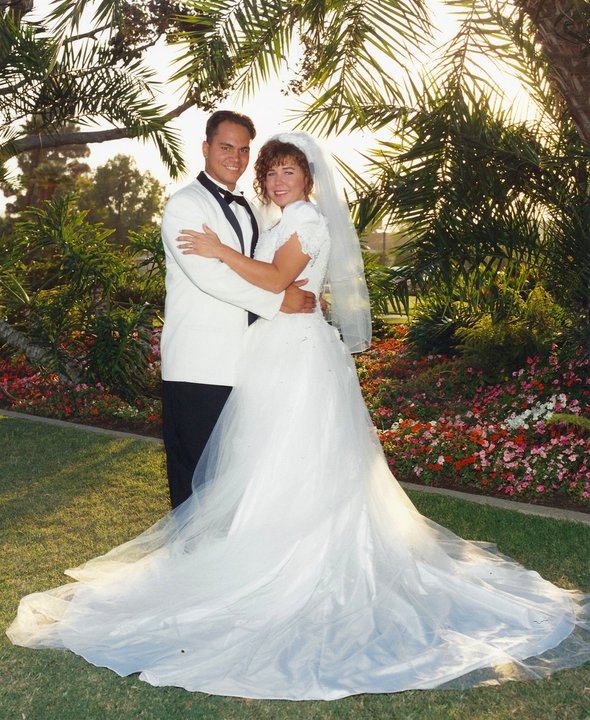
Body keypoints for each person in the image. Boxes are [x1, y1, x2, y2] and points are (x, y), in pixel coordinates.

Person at [7, 134, 590, 700]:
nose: (276, 179)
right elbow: (277, 287)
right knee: (265, 460)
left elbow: (276, 279)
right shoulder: (268, 218)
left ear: (310, 179)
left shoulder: (305, 221)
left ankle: (291, 564)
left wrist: (221, 251)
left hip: (296, 355)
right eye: (272, 171)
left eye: (289, 171)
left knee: (292, 458)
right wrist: (255, 275)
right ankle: (249, 549)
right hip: (268, 350)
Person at [160, 110, 316, 508]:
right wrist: (281, 300)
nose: (235, 156)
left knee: (230, 478)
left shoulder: (248, 207)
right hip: (198, 363)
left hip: (245, 363)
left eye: (244, 149)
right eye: (226, 147)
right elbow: (209, 277)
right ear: (206, 148)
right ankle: (190, 561)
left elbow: (259, 269)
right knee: (194, 475)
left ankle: (220, 560)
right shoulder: (184, 205)